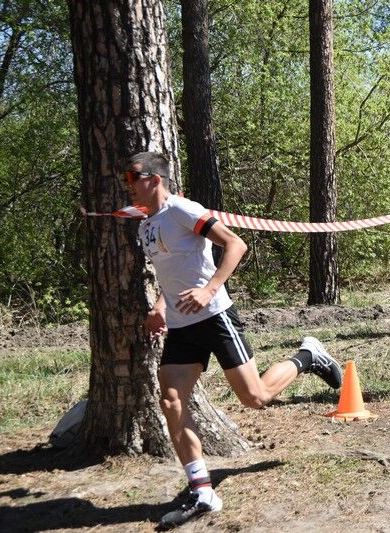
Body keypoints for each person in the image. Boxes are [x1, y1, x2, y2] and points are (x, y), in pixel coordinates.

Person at [123, 152, 342, 528]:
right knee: (171, 399)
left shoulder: (183, 210)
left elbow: (235, 245)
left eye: (132, 176)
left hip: (216, 316)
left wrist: (209, 291)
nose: (127, 184)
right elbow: (171, 271)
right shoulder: (146, 225)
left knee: (255, 398)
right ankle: (202, 491)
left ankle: (308, 355)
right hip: (181, 324)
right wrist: (160, 306)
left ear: (155, 179)